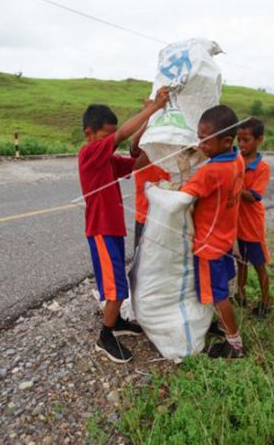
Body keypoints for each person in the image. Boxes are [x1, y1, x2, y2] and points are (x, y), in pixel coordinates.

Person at [78, 86, 170, 363]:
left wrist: (154, 133)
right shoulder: (89, 154)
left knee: (119, 281)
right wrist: (151, 109)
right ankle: (105, 337)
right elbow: (121, 136)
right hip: (101, 231)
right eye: (106, 137)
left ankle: (116, 322)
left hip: (114, 230)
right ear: (89, 135)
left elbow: (136, 163)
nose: (112, 143)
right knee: (116, 288)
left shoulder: (106, 159)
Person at [180, 105, 245, 358]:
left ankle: (234, 342)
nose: (200, 145)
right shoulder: (237, 159)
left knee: (219, 295)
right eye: (198, 137)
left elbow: (182, 197)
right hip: (225, 237)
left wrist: (158, 190)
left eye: (205, 141)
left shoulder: (211, 171)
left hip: (208, 245)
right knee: (221, 291)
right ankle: (221, 327)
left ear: (226, 141)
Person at [235, 117, 272, 316]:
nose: (241, 144)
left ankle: (266, 302)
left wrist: (234, 186)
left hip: (253, 225)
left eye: (246, 140)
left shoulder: (262, 167)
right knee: (241, 262)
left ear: (259, 140)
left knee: (259, 266)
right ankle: (240, 296)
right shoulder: (237, 160)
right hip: (237, 224)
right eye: (239, 140)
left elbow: (253, 197)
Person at [130, 124, 171, 253]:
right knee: (141, 264)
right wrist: (150, 117)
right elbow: (133, 145)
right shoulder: (144, 145)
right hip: (144, 214)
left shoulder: (174, 141)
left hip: (169, 216)